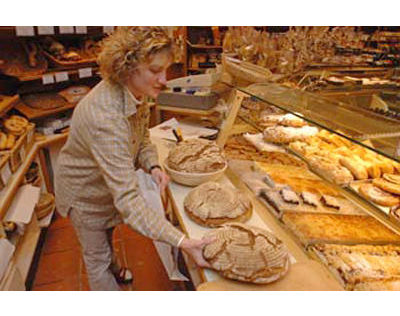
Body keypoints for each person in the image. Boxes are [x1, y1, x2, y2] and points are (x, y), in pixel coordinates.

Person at [55, 26, 213, 291]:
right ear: (127, 67)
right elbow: (128, 200)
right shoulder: (105, 117)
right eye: (154, 70)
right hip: (84, 195)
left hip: (107, 188)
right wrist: (182, 241)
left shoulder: (137, 92)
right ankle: (109, 271)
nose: (164, 79)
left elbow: (141, 139)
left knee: (108, 236)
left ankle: (115, 268)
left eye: (166, 69)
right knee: (97, 258)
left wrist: (152, 165)